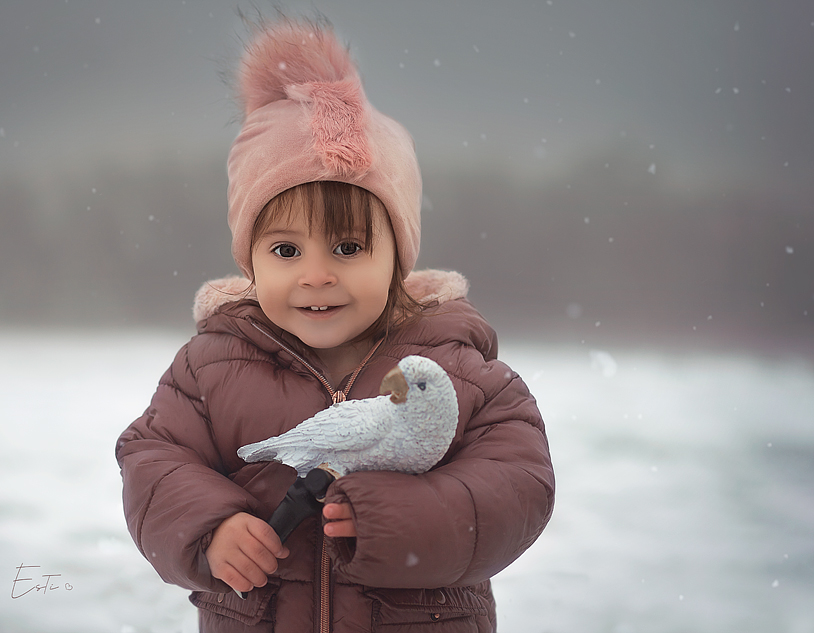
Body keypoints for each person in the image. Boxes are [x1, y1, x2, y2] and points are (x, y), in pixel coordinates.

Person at [116, 16, 554, 633]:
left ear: (398, 259)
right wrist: (209, 529)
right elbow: (152, 460)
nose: (316, 276)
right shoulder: (212, 368)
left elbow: (517, 487)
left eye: (348, 249)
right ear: (250, 260)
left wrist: (394, 522)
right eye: (286, 251)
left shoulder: (456, 367)